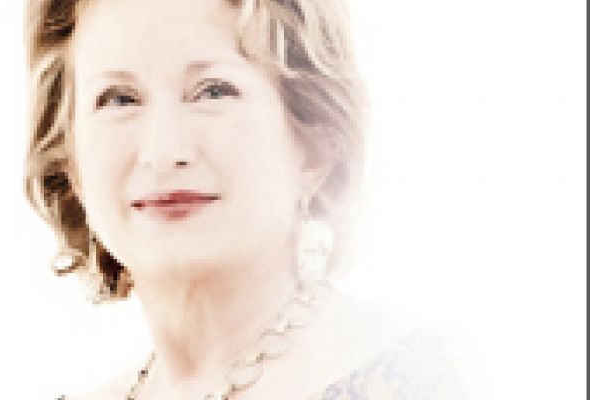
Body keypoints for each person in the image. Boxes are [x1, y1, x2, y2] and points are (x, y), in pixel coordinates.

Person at [24, 0, 480, 399]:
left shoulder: (430, 381)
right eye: (119, 99)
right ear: (70, 162)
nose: (162, 152)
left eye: (213, 91)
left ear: (315, 145)